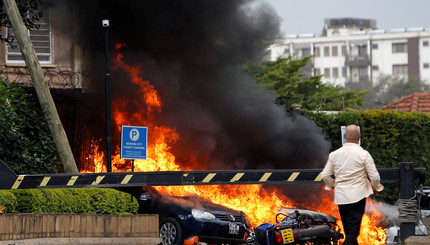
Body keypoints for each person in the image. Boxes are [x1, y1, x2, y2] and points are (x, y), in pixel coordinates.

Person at [321, 124, 384, 245]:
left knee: (350, 232)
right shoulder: (364, 154)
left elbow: (325, 175)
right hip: (357, 196)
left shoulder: (334, 154)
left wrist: (335, 185)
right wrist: (375, 189)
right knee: (352, 233)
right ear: (359, 137)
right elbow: (375, 177)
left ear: (345, 136)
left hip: (341, 197)